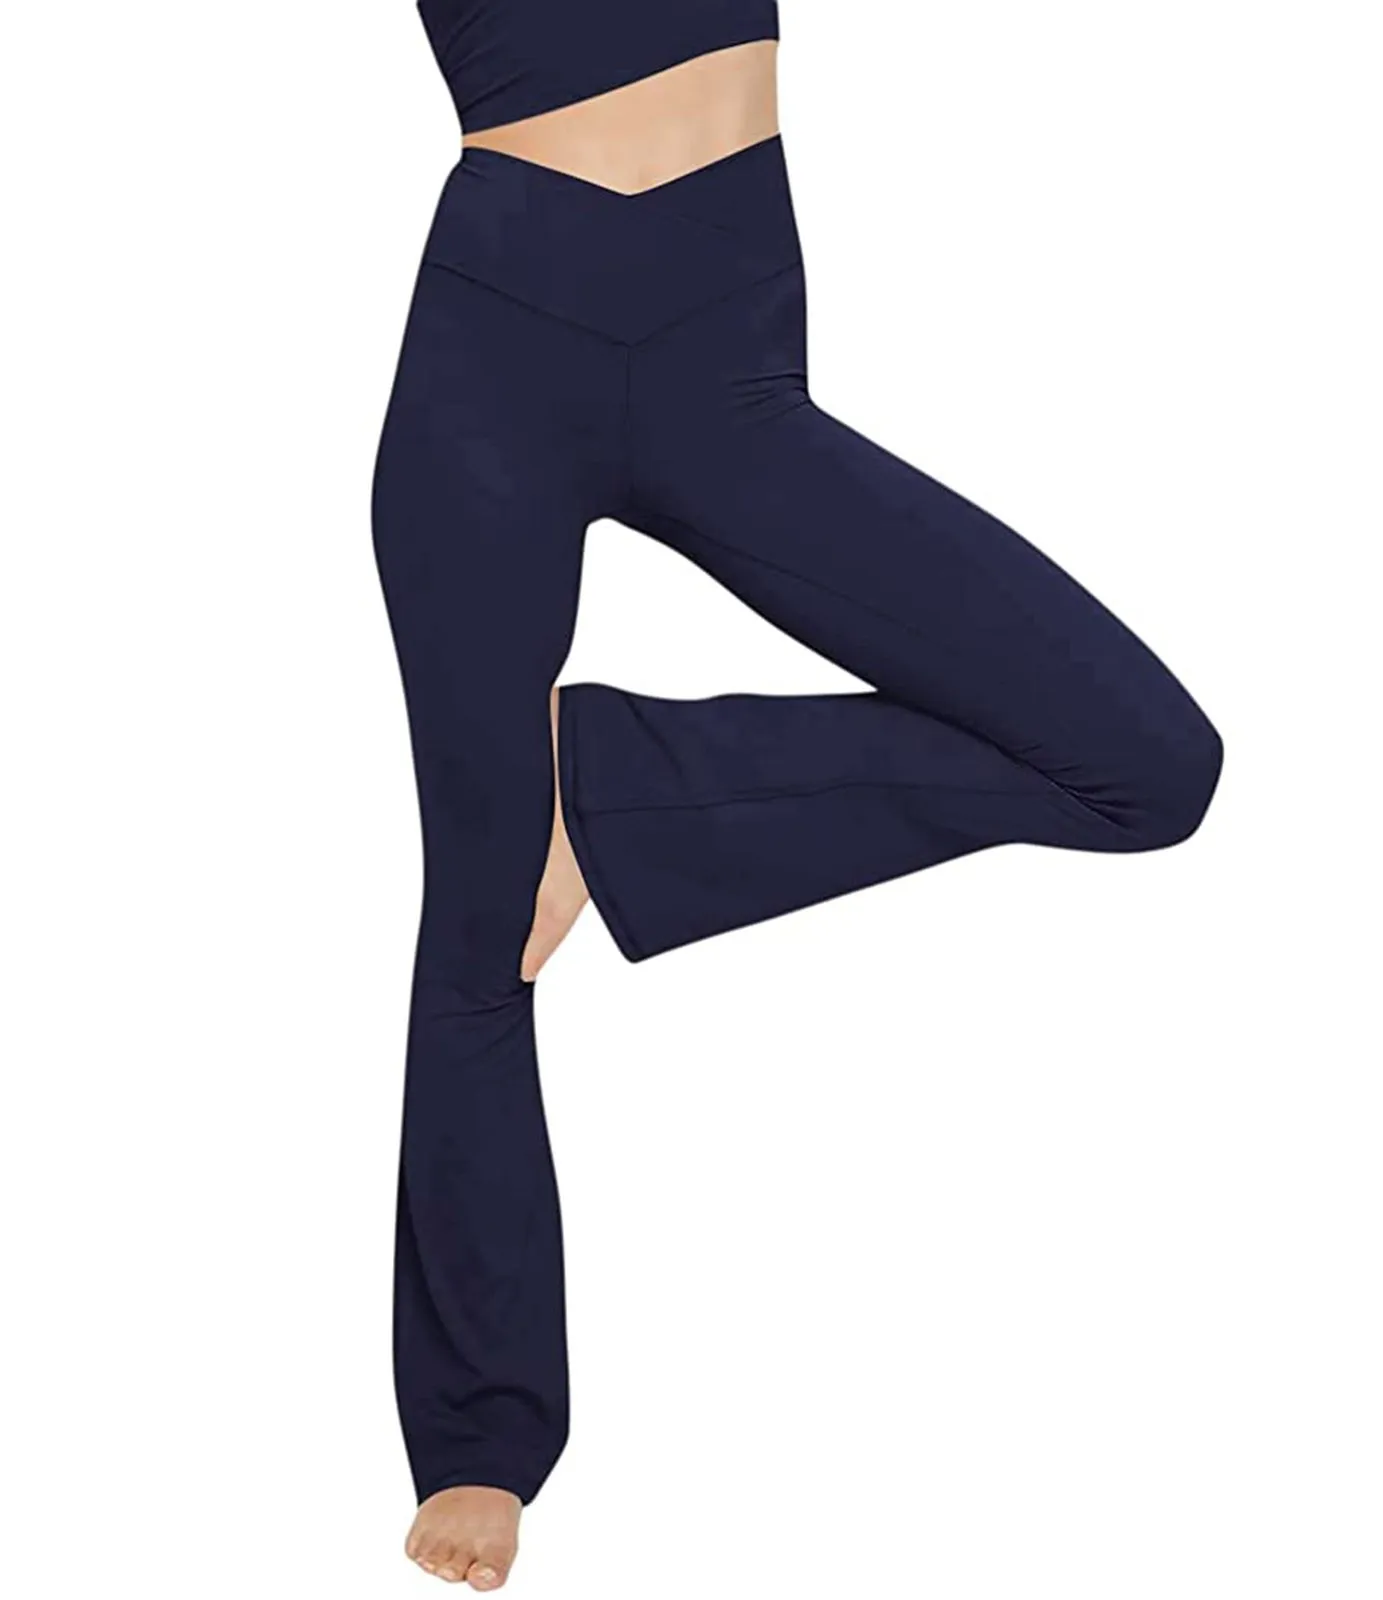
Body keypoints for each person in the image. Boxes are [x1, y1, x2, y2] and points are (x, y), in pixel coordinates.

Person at [373, 2, 1223, 1588]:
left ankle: (606, 792)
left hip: (730, 365)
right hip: (496, 350)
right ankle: (481, 1436)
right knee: (481, 934)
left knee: (1151, 767)